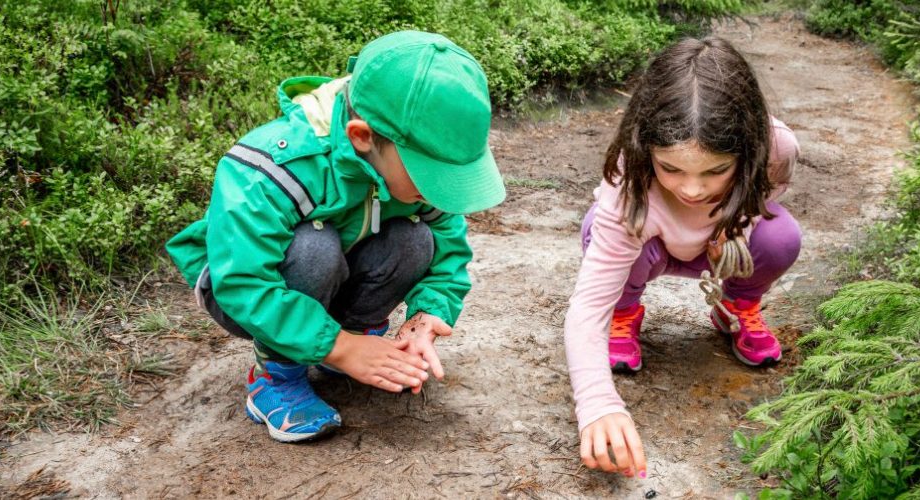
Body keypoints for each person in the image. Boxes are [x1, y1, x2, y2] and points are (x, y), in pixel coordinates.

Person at [165, 31, 505, 443]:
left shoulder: (407, 169)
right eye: (428, 174)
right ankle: (276, 375)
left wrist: (428, 313)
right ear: (363, 137)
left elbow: (448, 252)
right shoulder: (273, 166)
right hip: (240, 288)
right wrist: (341, 348)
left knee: (415, 240)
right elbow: (243, 282)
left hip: (334, 273)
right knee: (313, 248)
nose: (439, 190)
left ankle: (345, 341)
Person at [564, 37, 801, 477]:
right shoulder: (627, 170)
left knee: (781, 236)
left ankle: (737, 303)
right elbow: (587, 304)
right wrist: (597, 404)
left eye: (716, 170)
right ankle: (627, 310)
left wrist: (735, 229)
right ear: (645, 146)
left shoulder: (777, 148)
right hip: (647, 250)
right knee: (600, 227)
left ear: (747, 151)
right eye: (671, 168)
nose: (692, 190)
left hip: (721, 251)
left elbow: (767, 195)